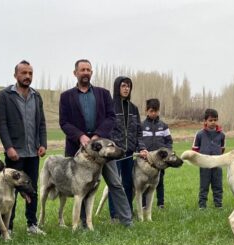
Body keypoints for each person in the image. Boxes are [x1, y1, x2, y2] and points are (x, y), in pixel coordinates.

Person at [59, 59, 132, 227]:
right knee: (81, 187)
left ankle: (127, 220)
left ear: (91, 73)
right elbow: (64, 122)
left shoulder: (103, 94)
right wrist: (80, 136)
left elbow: (111, 117)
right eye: (82, 70)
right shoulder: (66, 96)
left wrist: (98, 135)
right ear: (75, 73)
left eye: (88, 70)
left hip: (104, 149)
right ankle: (84, 223)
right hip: (78, 149)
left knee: (115, 183)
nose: (86, 72)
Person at [0, 60, 47, 235]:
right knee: (11, 190)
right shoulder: (5, 95)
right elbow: (2, 124)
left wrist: (43, 144)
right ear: (15, 75)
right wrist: (8, 147)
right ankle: (7, 227)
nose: (27, 76)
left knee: (31, 188)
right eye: (24, 73)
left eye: (30, 73)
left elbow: (41, 123)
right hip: (15, 153)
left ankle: (32, 224)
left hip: (33, 152)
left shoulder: (36, 96)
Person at [109, 76, 142, 219]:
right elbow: (107, 129)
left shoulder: (134, 109)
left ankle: (127, 211)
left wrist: (141, 148)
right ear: (117, 87)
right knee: (115, 183)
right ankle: (115, 214)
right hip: (115, 153)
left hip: (129, 153)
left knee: (128, 183)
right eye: (123, 85)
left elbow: (139, 131)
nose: (126, 88)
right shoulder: (110, 107)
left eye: (128, 86)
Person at [139, 98, 173, 209]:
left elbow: (169, 141)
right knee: (144, 182)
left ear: (159, 111)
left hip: (160, 161)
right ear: (146, 111)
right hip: (146, 160)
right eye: (151, 111)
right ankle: (144, 205)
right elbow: (138, 141)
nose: (154, 113)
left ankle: (160, 204)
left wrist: (167, 153)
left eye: (156, 111)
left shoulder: (163, 126)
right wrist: (142, 151)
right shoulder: (141, 126)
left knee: (159, 181)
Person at [192, 108, 225, 209]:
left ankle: (218, 204)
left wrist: (217, 157)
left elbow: (222, 148)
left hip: (217, 164)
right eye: (210, 120)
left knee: (218, 185)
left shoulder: (222, 135)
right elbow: (195, 149)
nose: (213, 122)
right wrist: (200, 160)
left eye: (215, 120)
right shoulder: (200, 134)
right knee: (204, 185)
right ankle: (202, 205)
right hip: (204, 164)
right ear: (205, 121)